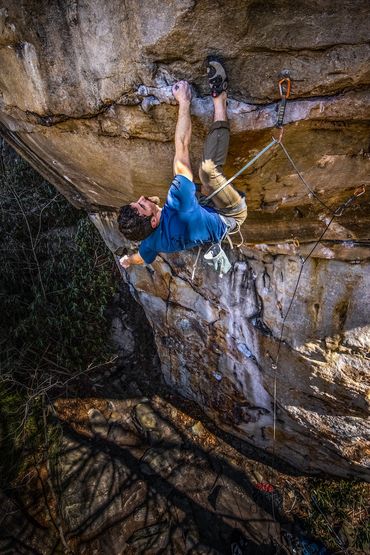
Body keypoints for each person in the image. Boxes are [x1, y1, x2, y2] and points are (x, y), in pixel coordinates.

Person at [118, 58, 247, 269]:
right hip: (232, 215)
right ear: (153, 222)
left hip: (205, 208)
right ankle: (220, 98)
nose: (141, 197)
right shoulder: (176, 207)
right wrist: (184, 101)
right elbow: (182, 147)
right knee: (207, 172)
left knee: (203, 189)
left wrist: (128, 261)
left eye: (137, 201)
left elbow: (141, 256)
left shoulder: (150, 242)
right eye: (142, 205)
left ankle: (205, 200)